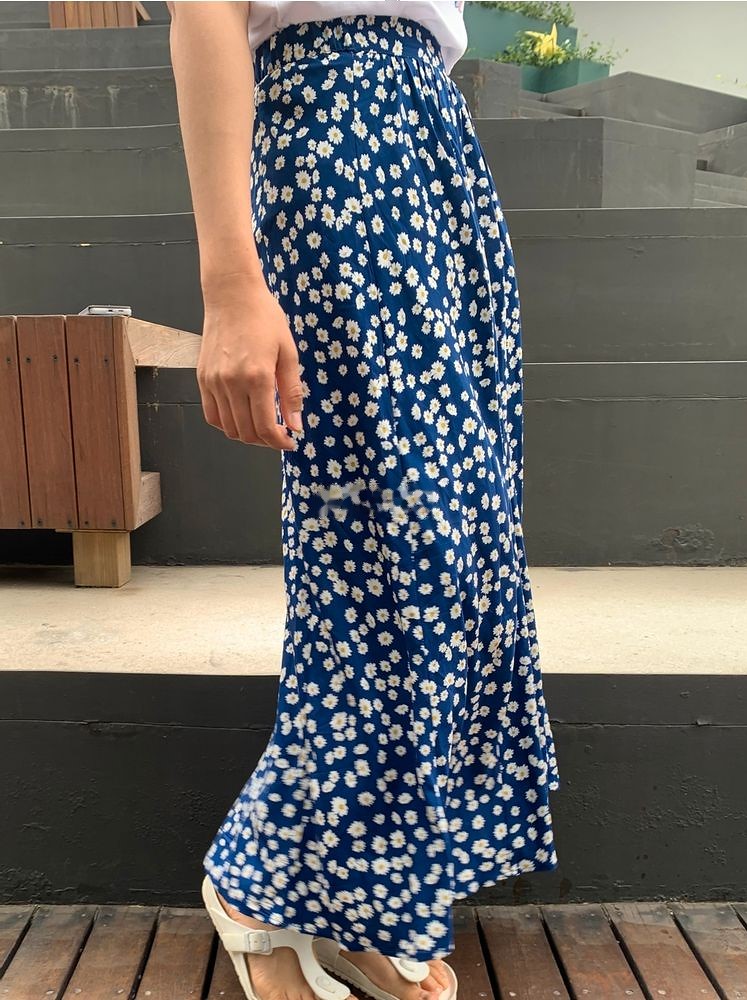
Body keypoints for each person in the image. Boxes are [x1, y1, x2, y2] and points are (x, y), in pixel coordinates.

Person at [165, 3, 561, 999]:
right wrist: (230, 284)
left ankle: (358, 897)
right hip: (337, 138)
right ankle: (257, 882)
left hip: (435, 143)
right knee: (397, 549)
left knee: (467, 541)